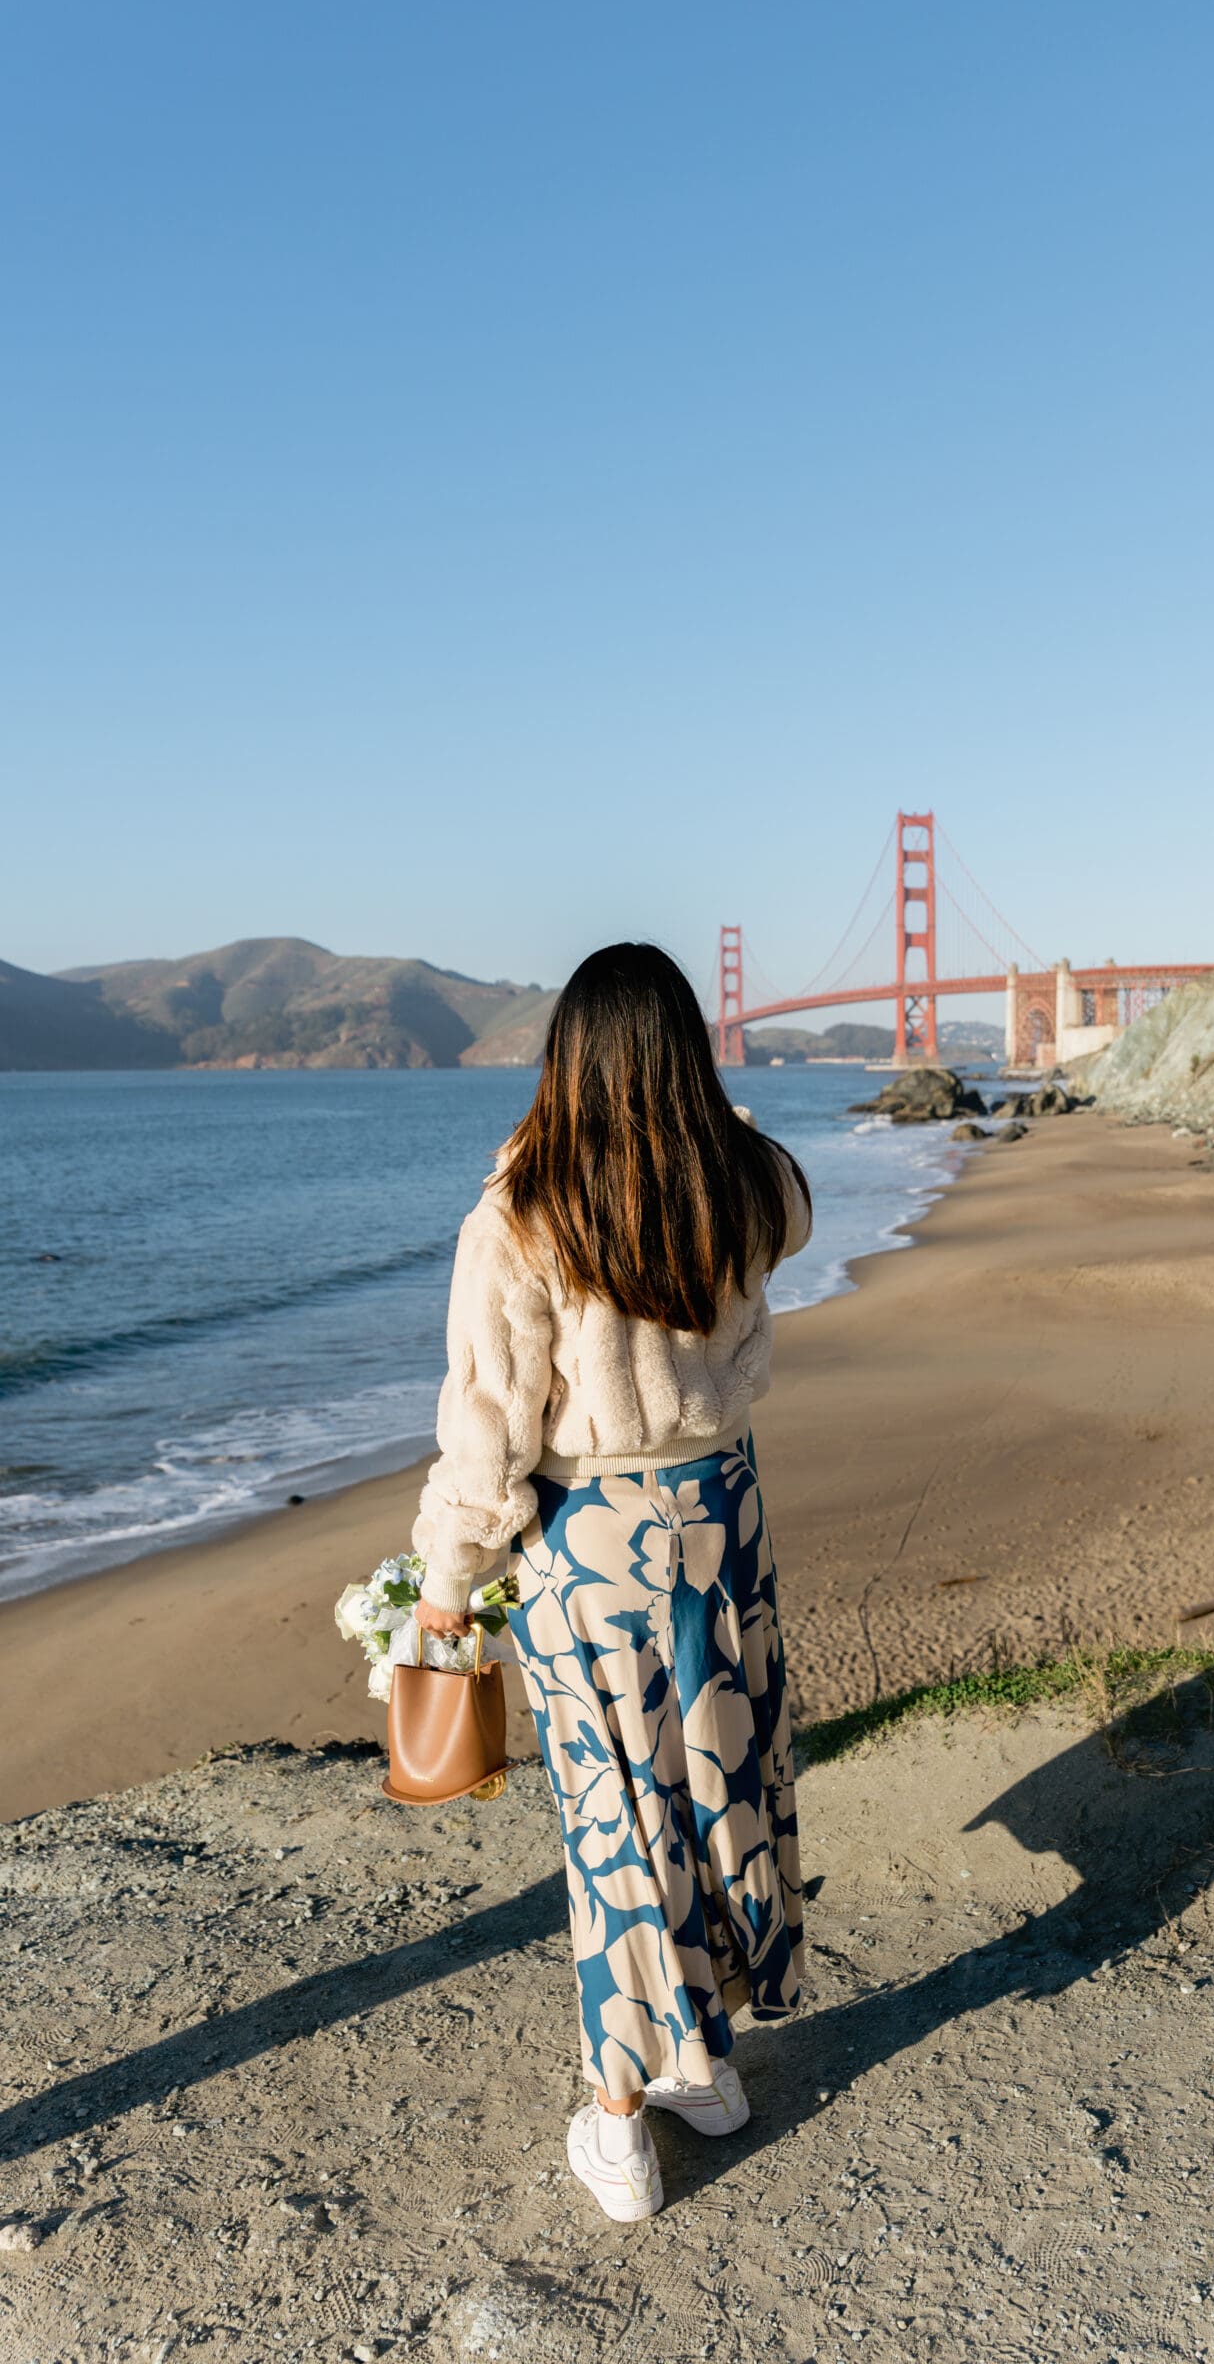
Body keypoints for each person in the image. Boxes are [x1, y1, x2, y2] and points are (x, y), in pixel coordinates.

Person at [412, 942, 812, 2224]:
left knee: (618, 1826)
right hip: (720, 1517)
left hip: (594, 1546)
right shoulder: (743, 1181)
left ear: (564, 1060)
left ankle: (623, 2119)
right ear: (689, 1052)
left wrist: (442, 1592)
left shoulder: (525, 1211)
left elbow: (489, 1433)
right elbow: (794, 1211)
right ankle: (711, 2072)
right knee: (716, 1787)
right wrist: (716, 1122)